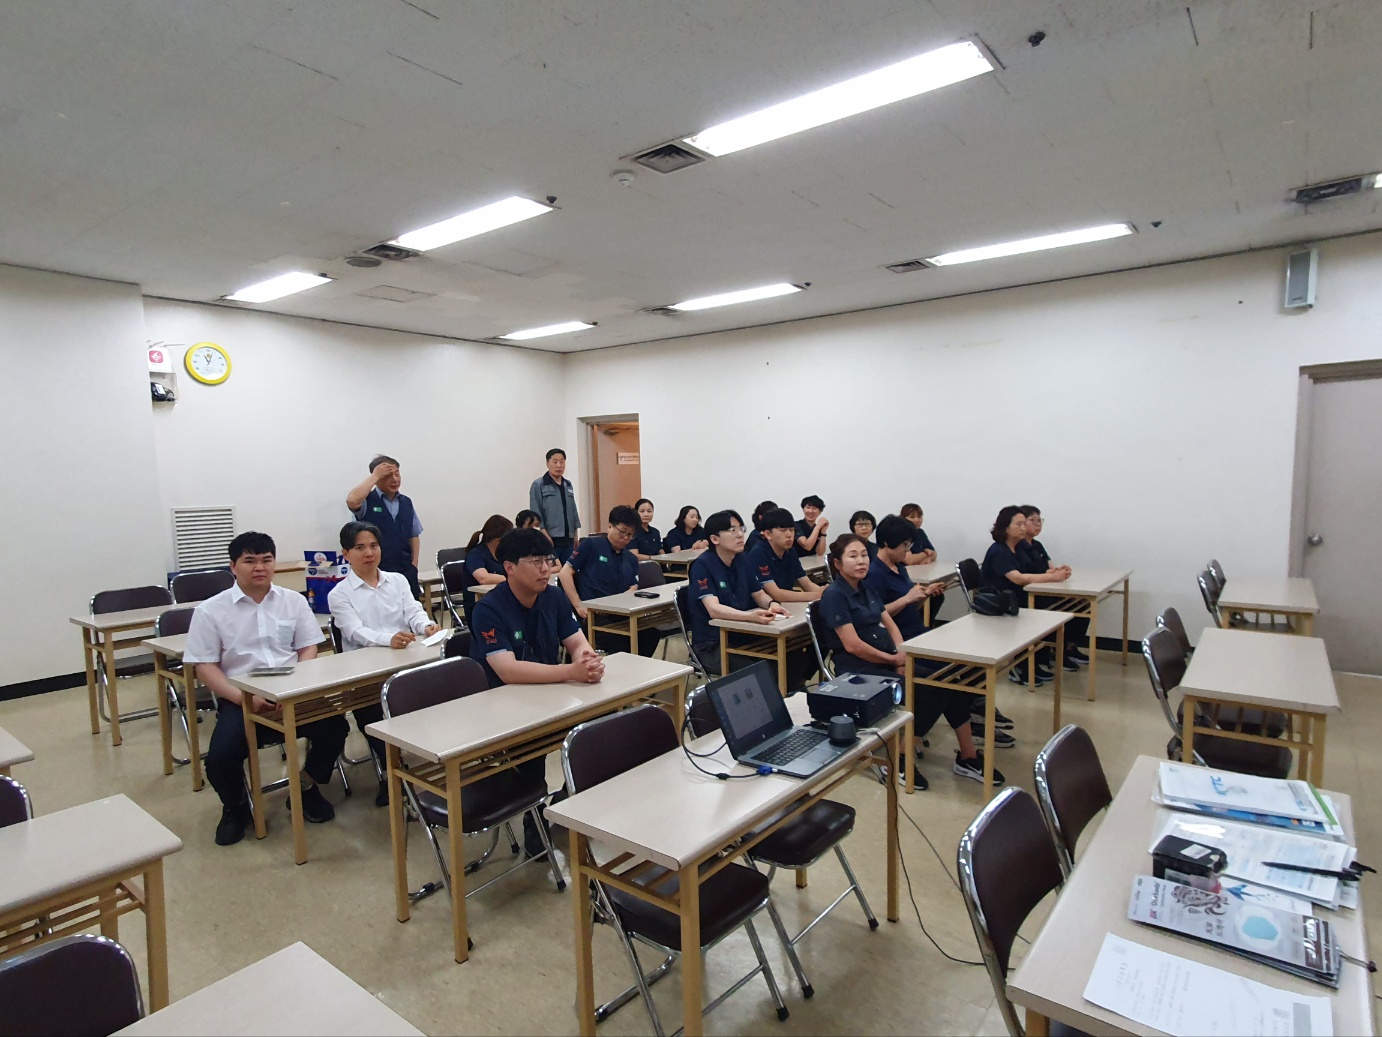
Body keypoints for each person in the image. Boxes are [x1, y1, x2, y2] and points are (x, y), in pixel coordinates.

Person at [184, 531, 342, 846]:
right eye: (250, 561)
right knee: (219, 759)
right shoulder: (210, 611)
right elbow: (205, 667)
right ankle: (236, 806)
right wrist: (246, 699)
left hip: (292, 691)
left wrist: (297, 685)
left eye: (266, 560)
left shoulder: (293, 601)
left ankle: (305, 786)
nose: (259, 567)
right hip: (241, 697)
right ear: (233, 566)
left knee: (335, 727)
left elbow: (308, 647)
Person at [821, 533, 1003, 786]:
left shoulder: (865, 587)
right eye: (853, 556)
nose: (861, 561)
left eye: (864, 555)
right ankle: (898, 757)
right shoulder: (834, 595)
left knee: (949, 681)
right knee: (929, 691)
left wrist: (901, 654)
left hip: (887, 658)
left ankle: (968, 756)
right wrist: (892, 659)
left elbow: (889, 623)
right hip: (858, 669)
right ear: (838, 564)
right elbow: (852, 645)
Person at [470, 527, 605, 856]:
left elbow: (576, 641)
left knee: (603, 728)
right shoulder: (489, 609)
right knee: (532, 751)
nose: (546, 568)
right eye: (535, 562)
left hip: (549, 693)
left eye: (548, 560)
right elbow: (508, 670)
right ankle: (535, 820)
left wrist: (586, 659)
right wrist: (571, 672)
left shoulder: (553, 597)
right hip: (503, 705)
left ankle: (562, 807)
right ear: (510, 567)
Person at [867, 516, 1016, 755]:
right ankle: (970, 724)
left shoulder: (899, 567)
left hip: (917, 632)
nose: (908, 550)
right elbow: (877, 616)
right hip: (902, 640)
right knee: (950, 675)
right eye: (904, 545)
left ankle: (973, 718)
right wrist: (907, 598)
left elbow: (908, 608)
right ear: (886, 543)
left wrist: (923, 596)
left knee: (968, 662)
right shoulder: (874, 574)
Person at [329, 521, 440, 806]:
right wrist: (388, 639)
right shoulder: (339, 594)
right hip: (366, 672)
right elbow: (354, 631)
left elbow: (413, 611)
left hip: (405, 661)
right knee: (372, 713)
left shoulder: (397, 580)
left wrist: (426, 625)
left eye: (374, 546)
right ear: (346, 553)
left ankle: (434, 758)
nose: (369, 553)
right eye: (360, 548)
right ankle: (390, 774)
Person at [686, 510, 789, 677]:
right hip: (713, 645)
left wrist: (772, 604)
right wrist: (750, 617)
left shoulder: (742, 559)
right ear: (714, 539)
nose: (740, 535)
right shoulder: (702, 565)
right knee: (766, 669)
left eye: (741, 529)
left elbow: (759, 594)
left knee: (792, 656)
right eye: (732, 530)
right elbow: (714, 609)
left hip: (743, 635)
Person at [981, 505, 1070, 685]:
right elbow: (1018, 578)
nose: (1023, 528)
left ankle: (1036, 660)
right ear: (1006, 527)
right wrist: (1051, 577)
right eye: (1019, 524)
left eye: (1024, 524)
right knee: (1041, 611)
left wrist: (1053, 573)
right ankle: (1021, 667)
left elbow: (1031, 572)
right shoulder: (999, 551)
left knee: (1053, 608)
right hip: (998, 604)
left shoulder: (1017, 548)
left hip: (1016, 599)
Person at [558, 504, 661, 656]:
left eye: (630, 535)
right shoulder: (591, 545)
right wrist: (578, 604)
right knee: (622, 640)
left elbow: (633, 586)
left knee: (650, 635)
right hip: (592, 616)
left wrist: (623, 598)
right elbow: (564, 573)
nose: (625, 538)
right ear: (610, 526)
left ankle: (631, 668)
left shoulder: (631, 559)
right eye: (622, 532)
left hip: (618, 613)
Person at [1018, 505, 1091, 671]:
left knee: (1082, 603)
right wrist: (1052, 575)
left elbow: (1050, 567)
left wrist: (1061, 571)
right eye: (1032, 520)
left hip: (1045, 589)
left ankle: (1069, 647)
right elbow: (1027, 575)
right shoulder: (1019, 547)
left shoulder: (1037, 545)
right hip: (1029, 594)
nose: (1038, 524)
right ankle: (1055, 651)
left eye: (1040, 520)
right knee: (1061, 609)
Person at [345, 454, 423, 597]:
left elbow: (414, 534)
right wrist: (375, 476)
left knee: (411, 606)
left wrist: (414, 563)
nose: (394, 480)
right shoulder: (367, 500)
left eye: (397, 474)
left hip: (406, 569)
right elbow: (352, 500)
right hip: (377, 570)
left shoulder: (406, 502)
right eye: (387, 476)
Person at [748, 507, 822, 603]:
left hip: (787, 604)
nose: (789, 535)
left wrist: (824, 592)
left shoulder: (790, 551)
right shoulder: (758, 553)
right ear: (768, 534)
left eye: (792, 530)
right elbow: (775, 594)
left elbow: (807, 584)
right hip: (767, 606)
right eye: (783, 530)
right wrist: (817, 595)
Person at [528, 448, 581, 564]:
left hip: (568, 537)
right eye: (555, 461)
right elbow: (535, 511)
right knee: (552, 568)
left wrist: (575, 533)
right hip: (551, 537)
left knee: (568, 568)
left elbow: (573, 510)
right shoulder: (539, 484)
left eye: (562, 462)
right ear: (547, 463)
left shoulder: (568, 484)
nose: (559, 465)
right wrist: (543, 534)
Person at [462, 514, 513, 619]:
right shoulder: (475, 554)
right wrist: (511, 579)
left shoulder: (504, 553)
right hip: (480, 604)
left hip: (501, 598)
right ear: (498, 539)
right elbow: (483, 578)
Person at [899, 502, 945, 619]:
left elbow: (934, 553)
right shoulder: (901, 534)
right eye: (912, 517)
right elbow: (909, 560)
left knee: (938, 596)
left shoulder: (920, 532)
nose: (917, 520)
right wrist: (925, 553)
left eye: (919, 517)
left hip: (921, 573)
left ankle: (928, 624)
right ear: (903, 518)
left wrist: (929, 556)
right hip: (907, 576)